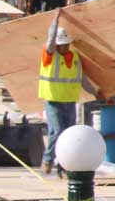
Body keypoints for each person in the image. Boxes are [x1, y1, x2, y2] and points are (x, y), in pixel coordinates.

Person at [39, 10, 96, 175]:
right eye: (61, 44)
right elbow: (49, 42)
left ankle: (63, 166)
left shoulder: (75, 57)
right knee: (56, 131)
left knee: (68, 135)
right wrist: (54, 22)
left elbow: (82, 79)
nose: (64, 47)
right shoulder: (49, 56)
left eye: (65, 44)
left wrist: (95, 92)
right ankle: (48, 160)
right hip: (53, 101)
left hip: (70, 102)